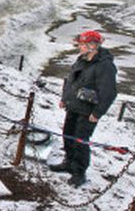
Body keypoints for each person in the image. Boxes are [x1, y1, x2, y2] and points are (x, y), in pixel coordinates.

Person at [49, 30, 117, 187]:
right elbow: (72, 80)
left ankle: (79, 171)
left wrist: (98, 112)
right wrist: (65, 99)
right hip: (74, 106)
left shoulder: (105, 66)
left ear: (93, 45)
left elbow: (109, 91)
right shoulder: (81, 60)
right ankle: (69, 162)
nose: (80, 47)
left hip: (88, 111)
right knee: (68, 134)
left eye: (83, 45)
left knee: (80, 140)